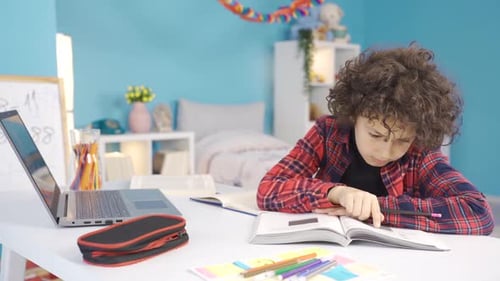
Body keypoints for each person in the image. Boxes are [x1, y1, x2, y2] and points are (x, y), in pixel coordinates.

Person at [257, 44, 494, 235]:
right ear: (354, 115)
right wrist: (336, 193)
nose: (385, 151)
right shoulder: (327, 131)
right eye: (375, 134)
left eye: (402, 140)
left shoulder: (420, 151)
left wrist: (377, 209)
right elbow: (268, 190)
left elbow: (478, 213)